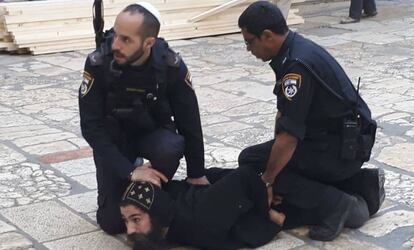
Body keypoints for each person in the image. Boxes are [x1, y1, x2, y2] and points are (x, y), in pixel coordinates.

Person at [237, 1, 384, 241]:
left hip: (337, 151)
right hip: (337, 144)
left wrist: (268, 181)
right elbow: (285, 116)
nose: (248, 49)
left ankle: (336, 205)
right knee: (268, 158)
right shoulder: (295, 49)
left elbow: (289, 137)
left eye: (249, 41)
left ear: (267, 36)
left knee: (257, 164)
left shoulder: (296, 66)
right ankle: (361, 184)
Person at [79, 2, 209, 235]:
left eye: (126, 39)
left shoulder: (170, 66)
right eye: (115, 35)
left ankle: (152, 188)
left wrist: (196, 173)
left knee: (171, 146)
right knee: (112, 223)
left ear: (148, 43)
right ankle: (135, 177)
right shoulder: (98, 63)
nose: (116, 44)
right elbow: (91, 127)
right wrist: (129, 171)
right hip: (114, 139)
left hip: (151, 133)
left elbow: (189, 121)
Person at [120, 166, 371, 249]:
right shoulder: (170, 214)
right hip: (248, 201)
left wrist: (268, 212)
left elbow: (246, 177)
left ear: (158, 213)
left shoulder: (201, 217)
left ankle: (354, 197)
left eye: (135, 219)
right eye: (128, 221)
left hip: (277, 202)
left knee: (347, 208)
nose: (129, 230)